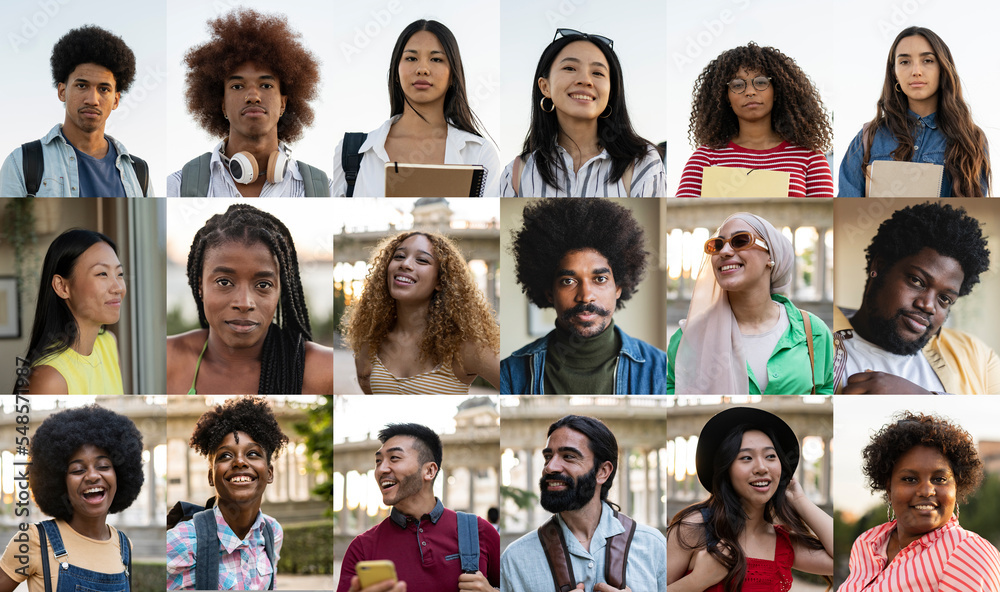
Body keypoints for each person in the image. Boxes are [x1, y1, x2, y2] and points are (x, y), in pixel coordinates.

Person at [501, 198, 666, 394]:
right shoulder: (510, 374)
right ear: (549, 292)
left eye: (600, 279)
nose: (586, 296)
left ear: (618, 287)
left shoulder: (661, 369)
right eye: (568, 281)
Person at [166, 204, 333, 394]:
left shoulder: (324, 370)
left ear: (280, 290)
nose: (244, 303)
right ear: (200, 286)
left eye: (263, 285)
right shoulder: (164, 359)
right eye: (224, 282)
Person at [835, 202, 1000, 394]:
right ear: (879, 268)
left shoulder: (976, 355)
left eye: (944, 299)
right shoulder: (813, 340)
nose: (928, 306)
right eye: (917, 281)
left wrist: (924, 398)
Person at [667, 407, 834, 591]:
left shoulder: (783, 544)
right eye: (746, 458)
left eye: (770, 456)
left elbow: (852, 558)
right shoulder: (693, 528)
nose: (762, 467)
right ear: (726, 468)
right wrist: (696, 582)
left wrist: (799, 499)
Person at [168, 9, 330, 197]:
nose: (253, 96)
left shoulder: (325, 190)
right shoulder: (177, 188)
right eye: (237, 86)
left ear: (283, 104)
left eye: (266, 85)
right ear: (222, 105)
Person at [667, 213, 833, 394]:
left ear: (771, 256)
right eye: (717, 245)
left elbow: (825, 389)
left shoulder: (814, 331)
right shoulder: (686, 338)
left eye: (740, 241)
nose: (724, 252)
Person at [333, 19, 501, 197]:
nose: (422, 69)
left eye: (436, 59)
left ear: (453, 75)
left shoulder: (480, 154)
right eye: (411, 58)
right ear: (396, 72)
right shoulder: (351, 153)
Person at [502, 415, 666, 592]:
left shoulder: (653, 546)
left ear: (603, 472)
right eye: (548, 457)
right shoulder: (515, 559)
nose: (550, 467)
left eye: (568, 456)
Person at [839, 412, 1000, 590]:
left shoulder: (970, 553)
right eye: (910, 479)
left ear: (957, 486)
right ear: (889, 487)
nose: (926, 491)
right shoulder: (867, 544)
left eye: (939, 479)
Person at [500, 29, 665, 197]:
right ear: (545, 87)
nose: (585, 80)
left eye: (597, 73)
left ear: (611, 91)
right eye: (570, 68)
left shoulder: (643, 163)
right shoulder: (515, 175)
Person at [337, 423, 500, 592]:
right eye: (378, 461)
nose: (381, 469)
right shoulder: (361, 549)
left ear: (429, 471)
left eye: (394, 458)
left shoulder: (480, 531)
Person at [0, 404, 144, 592]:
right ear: (59, 481)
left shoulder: (124, 546)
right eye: (78, 470)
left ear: (120, 475)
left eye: (103, 466)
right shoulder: (33, 540)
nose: (92, 476)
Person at [341, 230, 500, 394]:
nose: (405, 264)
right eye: (399, 257)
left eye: (422, 260)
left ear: (440, 281)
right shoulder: (370, 342)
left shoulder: (466, 347)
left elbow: (517, 385)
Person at [838, 27, 990, 197]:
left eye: (927, 60)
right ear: (894, 73)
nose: (916, 71)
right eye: (904, 62)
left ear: (942, 68)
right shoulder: (868, 138)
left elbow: (973, 216)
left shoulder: (971, 139)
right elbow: (847, 211)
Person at [0, 25, 150, 197]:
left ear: (116, 99)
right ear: (62, 92)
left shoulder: (138, 174)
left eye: (104, 89)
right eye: (81, 85)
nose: (92, 100)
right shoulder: (21, 163)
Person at [677, 42, 833, 197]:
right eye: (738, 85)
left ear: (777, 90)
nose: (750, 92)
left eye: (760, 82)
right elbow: (680, 219)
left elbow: (826, 218)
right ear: (725, 97)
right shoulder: (705, 158)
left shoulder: (809, 157)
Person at [167, 396, 288, 590]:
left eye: (253, 454)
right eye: (225, 455)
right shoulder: (182, 541)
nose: (240, 462)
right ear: (211, 476)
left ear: (270, 472)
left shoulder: (272, 532)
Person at [17, 229, 125, 395]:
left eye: (120, 274)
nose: (118, 287)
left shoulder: (108, 344)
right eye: (102, 273)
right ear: (62, 287)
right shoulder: (49, 378)